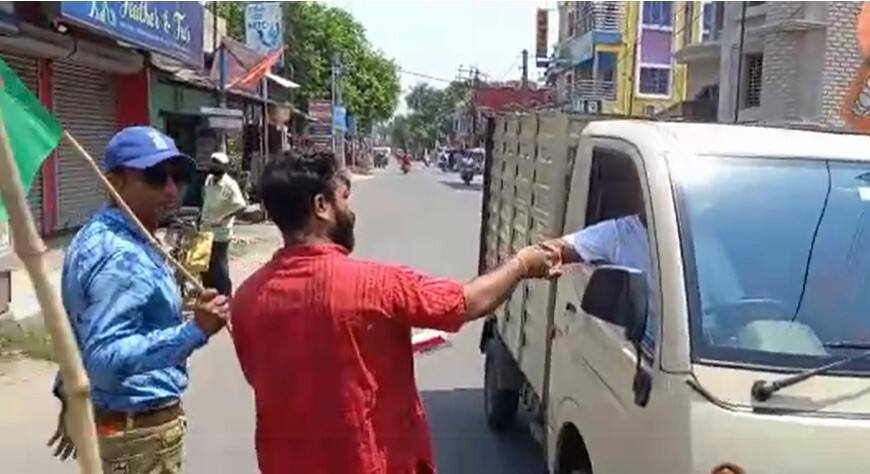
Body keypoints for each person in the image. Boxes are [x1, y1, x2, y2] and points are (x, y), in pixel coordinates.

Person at [230, 156, 559, 474]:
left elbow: (259, 377)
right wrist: (523, 264)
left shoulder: (246, 298)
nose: (351, 211)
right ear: (321, 206)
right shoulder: (377, 285)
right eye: (344, 199)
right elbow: (467, 302)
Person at [49, 126, 229, 473]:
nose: (171, 189)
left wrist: (69, 395)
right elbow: (103, 358)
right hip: (139, 436)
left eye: (178, 176)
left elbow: (82, 331)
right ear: (114, 182)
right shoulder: (119, 255)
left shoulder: (108, 236)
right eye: (155, 177)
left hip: (125, 427)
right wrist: (194, 331)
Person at [201, 151, 247, 296]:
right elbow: (206, 198)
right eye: (212, 162)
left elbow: (241, 206)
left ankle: (226, 296)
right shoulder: (209, 179)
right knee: (205, 265)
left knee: (219, 267)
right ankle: (210, 294)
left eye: (217, 163)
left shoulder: (230, 185)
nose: (213, 165)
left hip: (220, 232)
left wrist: (224, 218)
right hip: (205, 229)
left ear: (224, 167)